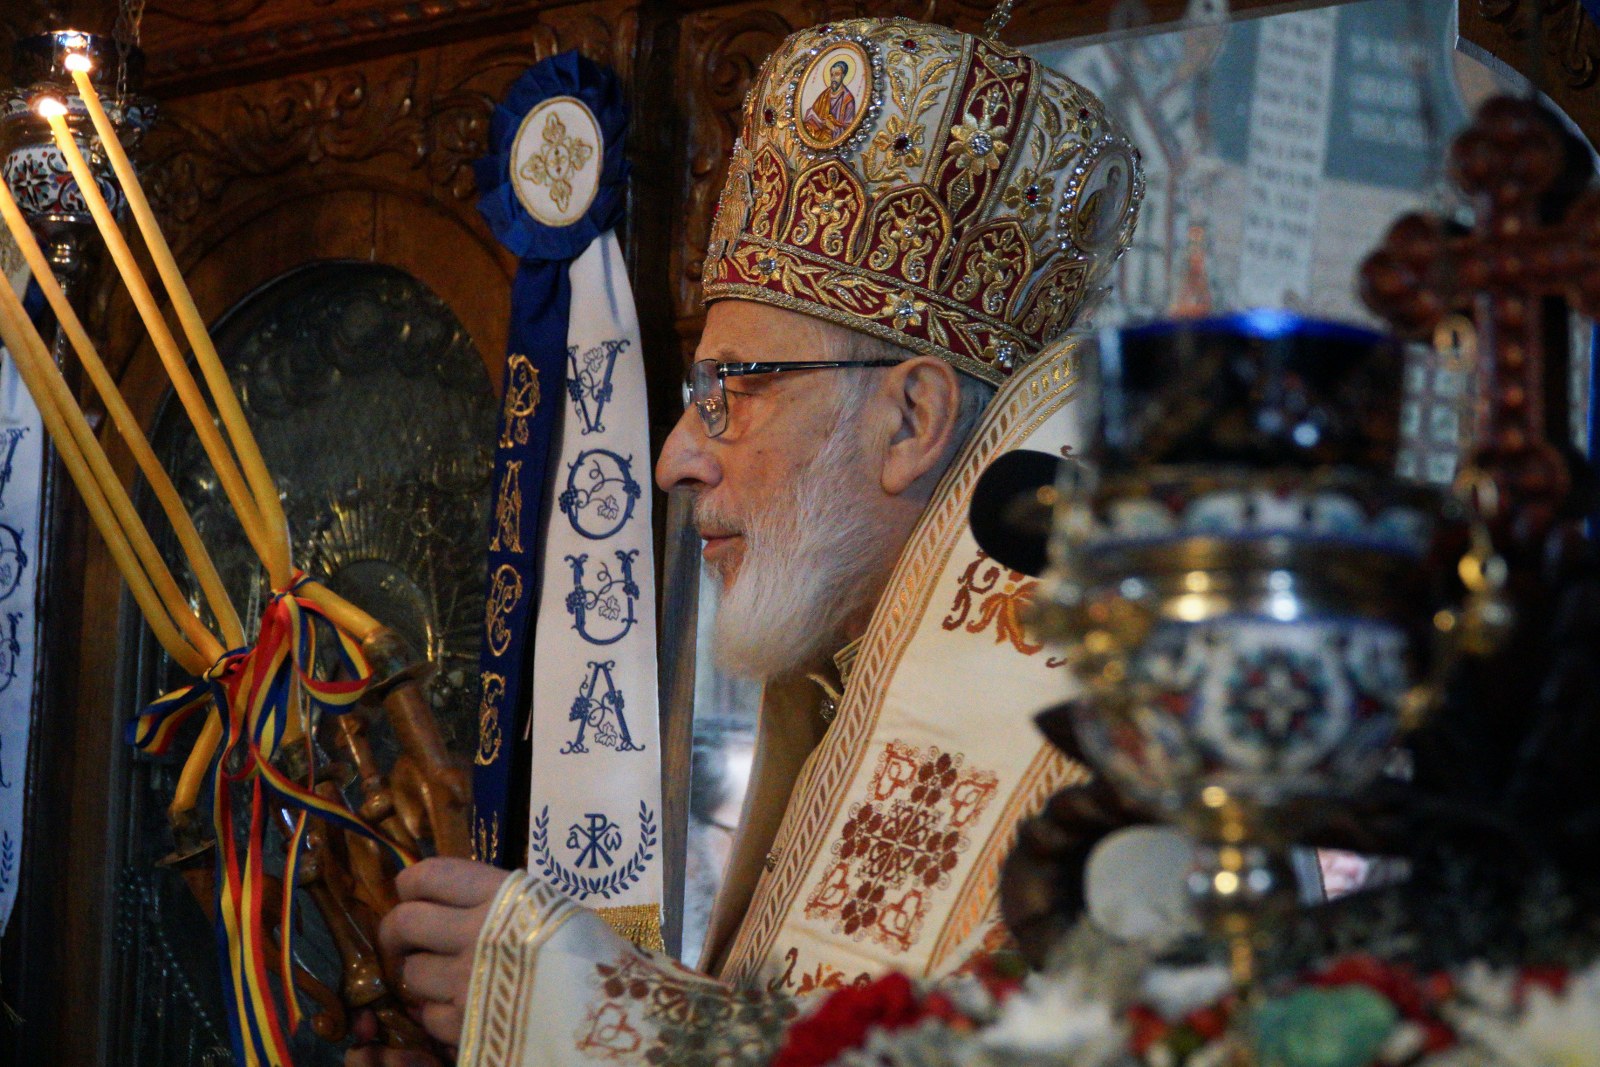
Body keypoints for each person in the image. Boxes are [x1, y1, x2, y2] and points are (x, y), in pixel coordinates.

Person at [349, 16, 1141, 1065]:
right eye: (698, 389)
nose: (677, 456)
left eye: (738, 386)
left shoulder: (1105, 750)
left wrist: (582, 1011)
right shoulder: (833, 686)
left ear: (912, 419)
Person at [802, 59, 858, 144]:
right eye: (832, 75)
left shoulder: (848, 99)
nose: (833, 78)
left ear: (843, 76)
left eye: (837, 74)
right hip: (818, 132)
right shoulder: (825, 94)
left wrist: (833, 127)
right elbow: (813, 114)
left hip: (832, 137)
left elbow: (850, 130)